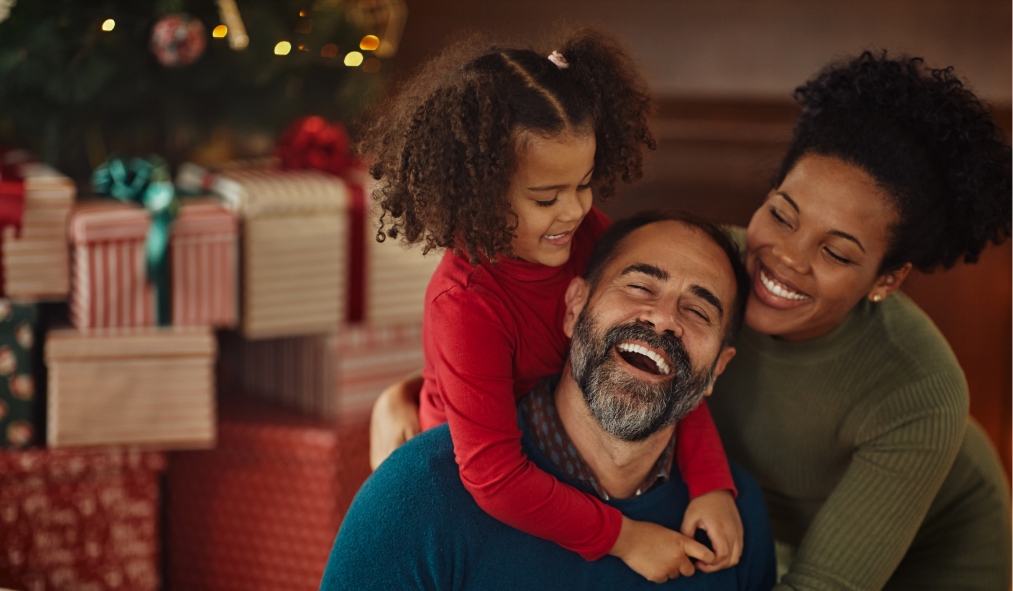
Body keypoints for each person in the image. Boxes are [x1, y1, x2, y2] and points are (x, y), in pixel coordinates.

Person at [361, 29, 743, 580]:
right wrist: (626, 538)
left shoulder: (585, 235)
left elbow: (663, 357)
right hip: (474, 479)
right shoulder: (465, 304)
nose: (574, 211)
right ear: (481, 191)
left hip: (557, 446)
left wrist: (711, 482)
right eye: (547, 198)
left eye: (584, 184)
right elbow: (493, 476)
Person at [322, 213, 776, 590]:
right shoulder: (417, 496)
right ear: (575, 307)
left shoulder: (738, 520)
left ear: (717, 369)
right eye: (638, 287)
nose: (663, 319)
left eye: (697, 311)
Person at [706, 51, 1012, 590]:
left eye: (838, 253)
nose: (788, 259)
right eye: (782, 214)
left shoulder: (920, 387)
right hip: (763, 533)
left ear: (885, 281)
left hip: (937, 553)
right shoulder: (696, 271)